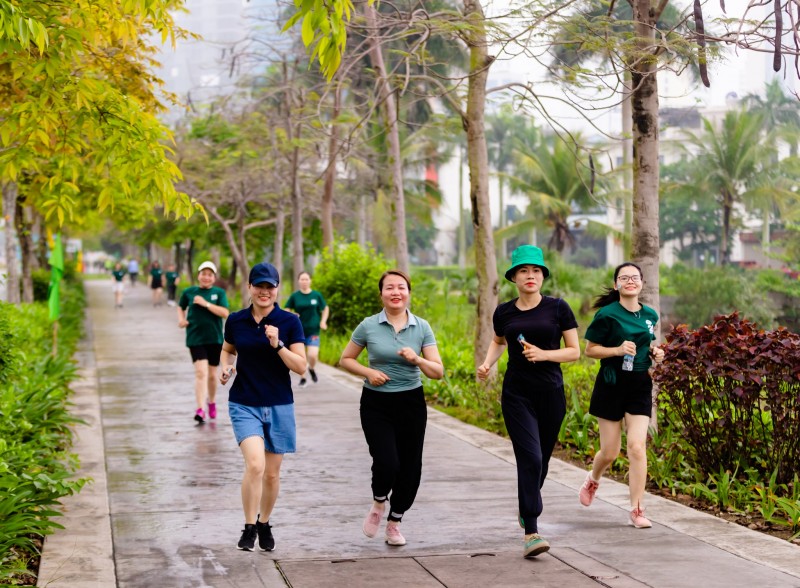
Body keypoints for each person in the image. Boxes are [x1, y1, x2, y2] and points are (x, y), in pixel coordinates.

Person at [476, 245, 580, 559]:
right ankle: (531, 531)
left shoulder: (559, 308)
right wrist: (487, 363)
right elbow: (498, 341)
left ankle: (527, 504)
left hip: (551, 394)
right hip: (517, 395)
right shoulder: (504, 312)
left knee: (543, 460)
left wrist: (545, 354)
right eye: (523, 271)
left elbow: (574, 351)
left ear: (543, 276)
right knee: (530, 458)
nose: (530, 276)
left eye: (536, 271)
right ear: (514, 277)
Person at [340, 270, 443, 547]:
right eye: (389, 288)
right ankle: (378, 501)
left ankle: (395, 522)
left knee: (411, 467)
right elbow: (346, 359)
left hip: (411, 402)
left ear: (408, 292)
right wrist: (368, 372)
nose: (395, 292)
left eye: (401, 287)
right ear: (381, 294)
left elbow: (438, 371)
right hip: (376, 403)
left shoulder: (421, 327)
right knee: (387, 461)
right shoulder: (368, 326)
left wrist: (417, 360)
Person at [219, 262, 306, 552]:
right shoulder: (236, 320)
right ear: (250, 288)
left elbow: (301, 367)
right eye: (259, 286)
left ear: (277, 289)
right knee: (255, 465)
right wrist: (226, 368)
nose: (264, 291)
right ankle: (248, 527)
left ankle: (264, 521)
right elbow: (228, 350)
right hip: (244, 402)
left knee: (271, 473)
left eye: (270, 286)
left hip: (279, 404)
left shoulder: (290, 321)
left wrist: (278, 344)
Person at [578, 262, 665, 528]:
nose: (630, 281)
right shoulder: (607, 314)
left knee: (637, 446)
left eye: (634, 277)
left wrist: (655, 353)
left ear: (641, 283)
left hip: (639, 382)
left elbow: (646, 345)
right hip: (611, 382)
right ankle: (593, 478)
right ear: (616, 284)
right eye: (624, 278)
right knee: (610, 452)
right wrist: (616, 350)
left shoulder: (650, 315)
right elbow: (590, 350)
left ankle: (637, 509)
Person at [177, 261, 230, 423]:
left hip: (214, 338)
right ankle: (200, 409)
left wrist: (206, 304)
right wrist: (181, 319)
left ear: (214, 278)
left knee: (213, 375)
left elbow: (225, 312)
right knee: (201, 373)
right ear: (198, 275)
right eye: (203, 274)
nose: (206, 277)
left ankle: (211, 402)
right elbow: (180, 307)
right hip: (195, 338)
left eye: (210, 274)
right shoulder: (189, 292)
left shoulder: (219, 293)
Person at [285, 271, 329, 387]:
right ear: (298, 281)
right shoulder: (295, 296)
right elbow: (286, 310)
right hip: (298, 331)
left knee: (313, 355)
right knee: (301, 357)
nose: (304, 282)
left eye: (306, 279)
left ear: (310, 281)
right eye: (302, 279)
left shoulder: (316, 295)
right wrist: (293, 314)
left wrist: (323, 321)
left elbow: (325, 308)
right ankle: (303, 378)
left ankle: (312, 368)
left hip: (313, 330)